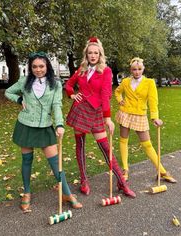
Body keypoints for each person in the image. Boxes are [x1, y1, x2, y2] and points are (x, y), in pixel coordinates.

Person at [5, 51, 82, 213]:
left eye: (41, 66)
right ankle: (26, 192)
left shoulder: (55, 83)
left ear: (47, 66)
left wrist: (59, 124)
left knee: (55, 162)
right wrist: (19, 100)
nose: (38, 69)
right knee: (27, 160)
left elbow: (56, 105)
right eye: (34, 67)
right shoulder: (24, 81)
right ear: (30, 68)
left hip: (45, 126)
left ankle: (66, 193)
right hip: (25, 125)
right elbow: (8, 92)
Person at [65, 37, 136, 198]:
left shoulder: (106, 70)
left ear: (100, 54)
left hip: (96, 111)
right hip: (81, 110)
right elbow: (68, 85)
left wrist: (108, 118)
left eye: (95, 53)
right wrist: (72, 95)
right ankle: (84, 180)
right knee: (80, 146)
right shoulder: (81, 69)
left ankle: (121, 182)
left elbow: (105, 94)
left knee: (105, 147)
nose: (92, 55)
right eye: (90, 53)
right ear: (86, 54)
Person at [115, 57, 177, 183]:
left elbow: (153, 101)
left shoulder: (149, 83)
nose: (136, 72)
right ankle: (125, 169)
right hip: (125, 113)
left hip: (140, 115)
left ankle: (162, 171)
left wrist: (155, 117)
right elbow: (117, 92)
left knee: (147, 144)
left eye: (139, 69)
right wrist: (119, 99)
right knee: (123, 141)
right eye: (134, 69)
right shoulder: (126, 81)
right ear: (130, 70)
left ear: (143, 69)